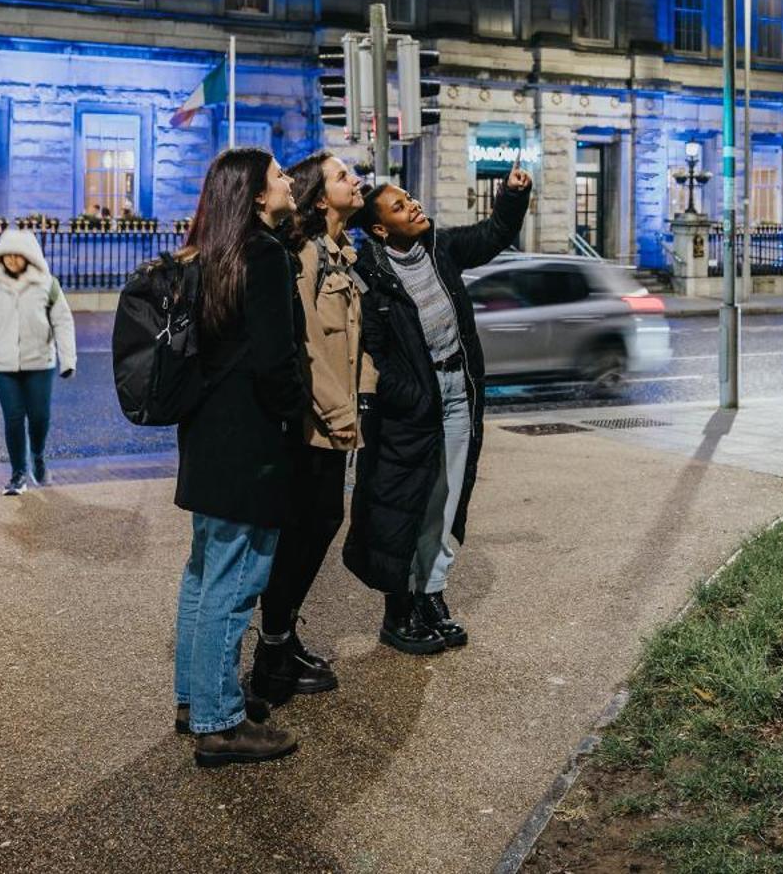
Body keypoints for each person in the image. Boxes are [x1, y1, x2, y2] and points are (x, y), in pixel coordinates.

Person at [345, 163, 531, 654]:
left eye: (411, 198)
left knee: (445, 503)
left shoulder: (439, 248)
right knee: (406, 504)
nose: (415, 206)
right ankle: (398, 609)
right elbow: (375, 352)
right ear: (382, 227)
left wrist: (512, 195)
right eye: (402, 205)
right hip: (412, 408)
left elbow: (494, 234)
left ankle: (431, 595)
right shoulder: (370, 275)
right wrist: (410, 395)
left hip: (457, 396)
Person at [172, 148, 311, 767]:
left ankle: (194, 698)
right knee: (235, 581)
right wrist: (297, 416)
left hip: (206, 436)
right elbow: (276, 361)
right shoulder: (264, 255)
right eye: (280, 175)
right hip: (252, 440)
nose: (289, 182)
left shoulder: (209, 256)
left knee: (204, 573)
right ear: (257, 195)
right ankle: (220, 722)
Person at [250, 153, 377, 708]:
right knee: (307, 528)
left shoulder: (342, 254)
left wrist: (363, 394)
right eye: (343, 176)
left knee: (319, 523)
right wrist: (341, 413)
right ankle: (272, 650)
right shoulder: (302, 256)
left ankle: (283, 637)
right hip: (313, 423)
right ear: (320, 198)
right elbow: (303, 349)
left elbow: (353, 339)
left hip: (338, 418)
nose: (356, 181)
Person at [0, 230, 78, 496]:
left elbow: (63, 321)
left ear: (30, 257)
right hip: (1, 363)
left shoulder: (47, 284)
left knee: (39, 417)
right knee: (14, 417)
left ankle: (37, 456)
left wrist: (67, 360)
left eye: (18, 255)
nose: (12, 260)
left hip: (39, 361)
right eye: (7, 256)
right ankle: (18, 474)